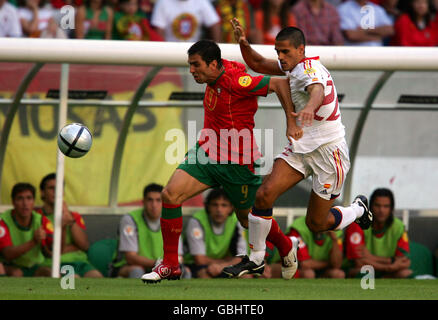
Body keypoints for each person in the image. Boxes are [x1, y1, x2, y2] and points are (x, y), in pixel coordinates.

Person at [223, 19, 373, 279]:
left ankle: (358, 209)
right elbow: (257, 64)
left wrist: (308, 108)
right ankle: (256, 258)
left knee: (316, 223)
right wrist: (243, 42)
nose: (280, 57)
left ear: (301, 50)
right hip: (301, 149)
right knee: (264, 195)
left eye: (285, 52)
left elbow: (316, 90)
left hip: (329, 153)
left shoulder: (309, 69)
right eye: (277, 52)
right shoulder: (292, 68)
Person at [141, 39, 300, 283]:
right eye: (190, 65)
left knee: (248, 220)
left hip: (237, 162)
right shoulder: (217, 71)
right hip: (207, 151)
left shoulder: (237, 82)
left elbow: (280, 83)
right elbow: (244, 63)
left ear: (213, 64)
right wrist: (244, 43)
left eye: (196, 65)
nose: (192, 70)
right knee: (170, 195)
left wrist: (292, 122)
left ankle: (285, 244)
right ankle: (171, 265)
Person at [111, 184, 186, 278]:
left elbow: (178, 256)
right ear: (143, 202)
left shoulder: (171, 220)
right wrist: (158, 263)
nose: (154, 205)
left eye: (158, 200)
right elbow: (130, 258)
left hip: (161, 268)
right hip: (129, 267)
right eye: (150, 200)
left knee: (185, 272)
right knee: (137, 270)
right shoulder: (130, 219)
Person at [36, 173, 103, 278]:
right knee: (73, 278)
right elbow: (50, 251)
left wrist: (68, 218)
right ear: (42, 192)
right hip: (53, 264)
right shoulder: (37, 217)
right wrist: (73, 247)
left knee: (96, 277)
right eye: (51, 188)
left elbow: (84, 246)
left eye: (59, 188)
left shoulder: (73, 216)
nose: (56, 191)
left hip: (80, 262)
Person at [345, 188, 412, 278]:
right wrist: (390, 263)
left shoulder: (399, 226)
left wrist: (370, 257)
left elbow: (404, 261)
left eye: (386, 206)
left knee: (405, 273)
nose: (381, 210)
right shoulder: (358, 223)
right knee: (363, 271)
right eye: (377, 205)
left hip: (387, 271)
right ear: (370, 207)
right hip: (364, 269)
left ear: (391, 209)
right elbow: (359, 262)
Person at [184, 188, 249, 278]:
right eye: (215, 205)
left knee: (246, 276)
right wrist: (226, 262)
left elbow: (242, 258)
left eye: (224, 205)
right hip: (196, 265)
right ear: (207, 206)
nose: (219, 210)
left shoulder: (236, 221)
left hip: (223, 264)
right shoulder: (197, 221)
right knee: (204, 274)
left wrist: (221, 266)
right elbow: (199, 260)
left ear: (231, 208)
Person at [0, 183, 52, 277]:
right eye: (20, 198)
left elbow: (51, 253)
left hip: (35, 266)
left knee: (50, 273)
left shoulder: (42, 220)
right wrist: (34, 242)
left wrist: (45, 245)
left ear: (34, 201)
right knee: (15, 273)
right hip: (11, 266)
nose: (25, 203)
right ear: (13, 202)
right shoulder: (3, 221)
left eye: (29, 198)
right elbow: (7, 254)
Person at [150, 0, 221, 42]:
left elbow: (214, 25)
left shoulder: (201, 2)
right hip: (170, 53)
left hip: (195, 53)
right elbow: (158, 32)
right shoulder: (163, 2)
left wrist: (216, 51)